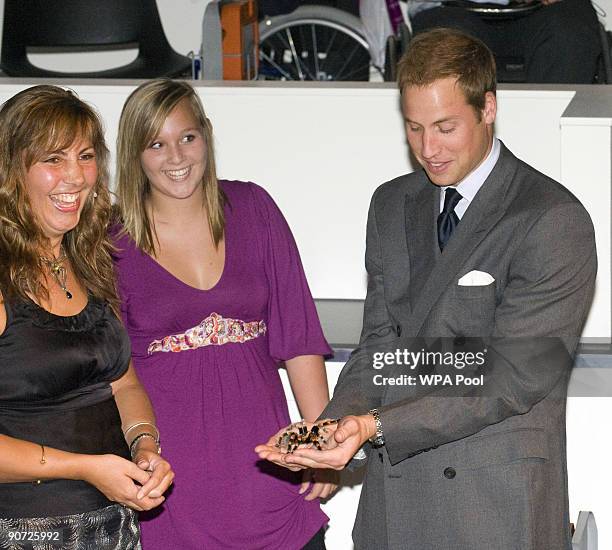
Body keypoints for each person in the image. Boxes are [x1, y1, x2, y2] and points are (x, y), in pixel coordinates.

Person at [257, 28, 597, 550]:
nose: (428, 149)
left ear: (488, 108)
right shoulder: (391, 204)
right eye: (414, 129)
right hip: (398, 496)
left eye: (445, 127)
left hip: (494, 504)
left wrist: (371, 426)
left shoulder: (550, 217)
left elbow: (511, 374)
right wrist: (326, 431)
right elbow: (379, 347)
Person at [112, 79, 334, 550]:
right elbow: (112, 375)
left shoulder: (254, 208)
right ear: (135, 153)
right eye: (156, 144)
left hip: (268, 474)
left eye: (187, 137)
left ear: (207, 135)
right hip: (170, 488)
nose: (176, 157)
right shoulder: (109, 242)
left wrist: (321, 446)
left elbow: (300, 338)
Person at [0, 85, 174, 548]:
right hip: (26, 533)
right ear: (11, 170)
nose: (75, 176)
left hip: (113, 525)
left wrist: (144, 447)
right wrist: (86, 467)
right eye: (53, 159)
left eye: (85, 155)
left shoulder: (90, 261)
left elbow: (125, 383)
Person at [408, 0, 602, 83]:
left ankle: (548, 145)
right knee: (446, 41)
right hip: (451, 11)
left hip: (545, 14)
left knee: (570, 30)